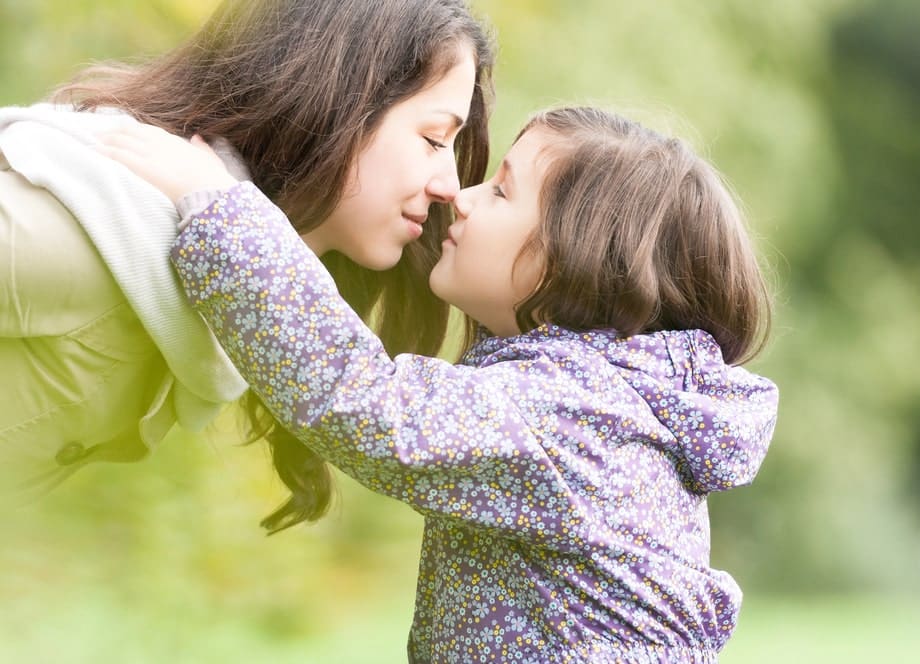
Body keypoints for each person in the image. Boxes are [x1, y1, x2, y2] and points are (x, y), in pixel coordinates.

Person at [103, 105, 779, 662]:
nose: (461, 194)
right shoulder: (604, 399)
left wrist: (217, 206)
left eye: (504, 190)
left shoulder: (577, 418)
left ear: (577, 263)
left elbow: (363, 402)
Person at [0, 0, 495, 525]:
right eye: (434, 139)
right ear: (333, 103)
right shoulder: (99, 226)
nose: (450, 186)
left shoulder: (207, 289)